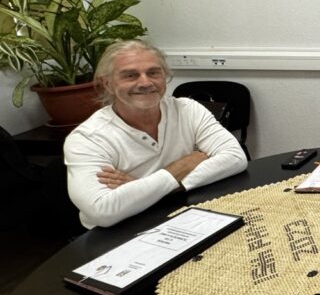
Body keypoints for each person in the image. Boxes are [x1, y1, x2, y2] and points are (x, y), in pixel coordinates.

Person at [64, 40, 247, 229]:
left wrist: (148, 187)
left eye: (153, 72)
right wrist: (180, 166)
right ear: (107, 83)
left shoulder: (188, 109)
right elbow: (102, 210)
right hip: (116, 233)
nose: (145, 82)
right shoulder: (87, 138)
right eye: (130, 75)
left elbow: (235, 158)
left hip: (179, 214)